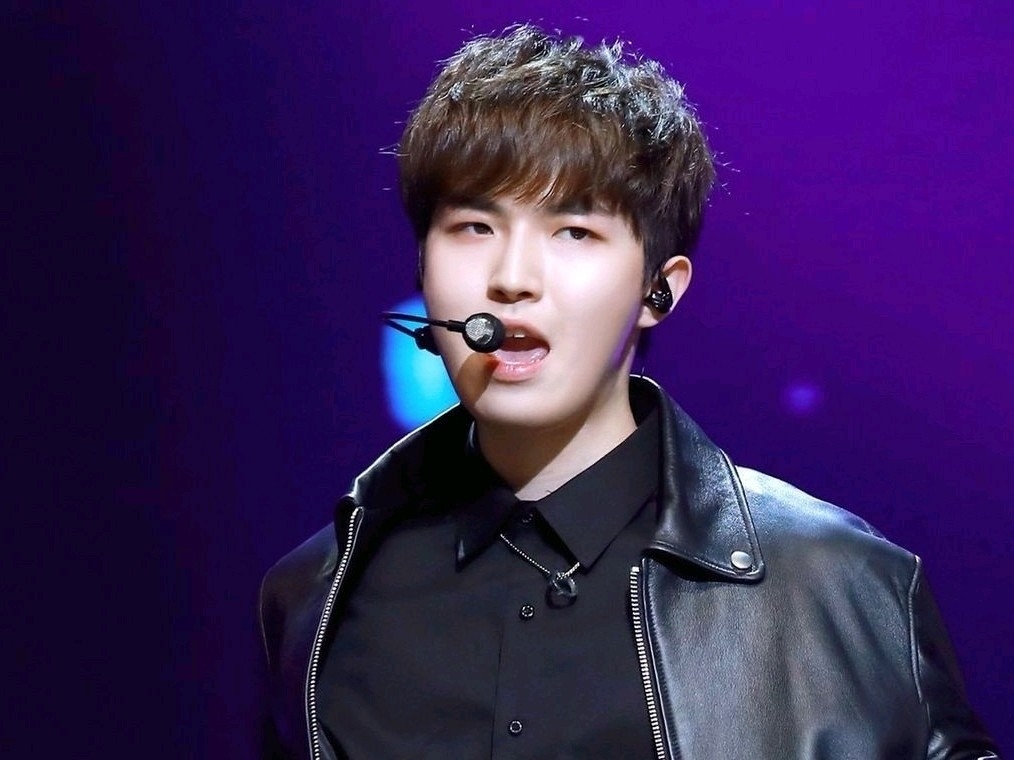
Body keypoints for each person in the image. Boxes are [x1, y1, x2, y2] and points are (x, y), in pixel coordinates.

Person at [259, 25, 998, 760]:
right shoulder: (316, 602)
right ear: (423, 265)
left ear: (658, 290)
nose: (512, 278)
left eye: (573, 231)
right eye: (475, 226)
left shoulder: (846, 588)